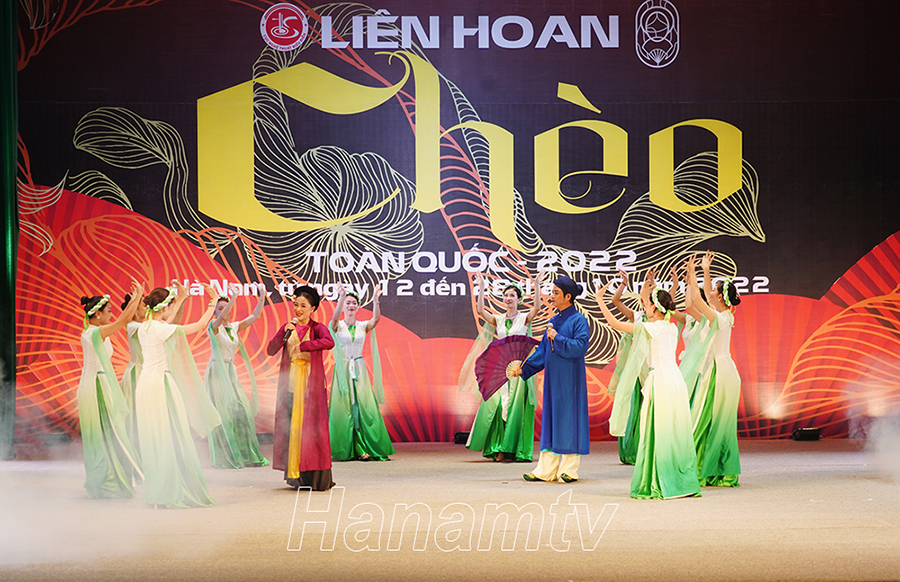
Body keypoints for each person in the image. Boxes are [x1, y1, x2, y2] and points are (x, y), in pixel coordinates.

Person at [597, 274, 701, 499]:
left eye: (647, 304)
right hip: (675, 380)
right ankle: (676, 478)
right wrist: (646, 294)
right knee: (672, 431)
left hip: (660, 380)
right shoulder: (671, 327)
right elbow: (651, 309)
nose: (644, 307)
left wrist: (599, 300)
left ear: (655, 307)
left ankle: (659, 480)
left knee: (655, 431)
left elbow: (614, 324)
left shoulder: (652, 328)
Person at [135, 281, 222, 508]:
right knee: (170, 435)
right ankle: (170, 489)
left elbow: (166, 319)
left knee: (156, 437)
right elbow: (200, 325)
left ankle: (161, 488)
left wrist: (181, 299)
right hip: (160, 383)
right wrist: (213, 301)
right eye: (170, 306)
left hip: (145, 384)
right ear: (164, 307)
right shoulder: (160, 328)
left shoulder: (145, 326)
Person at [510, 275, 589, 483]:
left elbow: (581, 347)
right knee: (551, 420)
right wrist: (524, 368)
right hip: (553, 380)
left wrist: (558, 338)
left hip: (571, 380)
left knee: (569, 420)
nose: (551, 296)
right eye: (551, 292)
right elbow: (543, 351)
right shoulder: (553, 321)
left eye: (555, 293)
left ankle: (568, 470)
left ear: (568, 296)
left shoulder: (579, 320)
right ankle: (545, 470)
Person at [464, 271, 543, 462]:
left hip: (519, 369)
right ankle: (500, 447)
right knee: (499, 406)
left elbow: (537, 307)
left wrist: (537, 285)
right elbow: (481, 311)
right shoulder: (498, 319)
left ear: (519, 299)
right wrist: (481, 288)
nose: (508, 298)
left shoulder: (524, 318)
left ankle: (516, 449)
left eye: (512, 295)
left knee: (517, 408)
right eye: (506, 295)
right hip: (501, 369)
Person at [78, 283, 144, 498]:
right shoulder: (94, 332)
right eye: (108, 310)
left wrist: (136, 298)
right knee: (108, 432)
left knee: (110, 432)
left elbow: (122, 320)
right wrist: (137, 297)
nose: (111, 314)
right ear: (97, 314)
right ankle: (106, 480)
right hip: (95, 385)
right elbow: (123, 321)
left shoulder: (95, 331)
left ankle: (113, 476)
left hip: (99, 382)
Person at [267, 285, 335, 491]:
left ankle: (314, 477)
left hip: (310, 388)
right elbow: (271, 350)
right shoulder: (288, 328)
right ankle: (294, 475)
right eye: (296, 305)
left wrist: (306, 345)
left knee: (312, 431)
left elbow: (329, 342)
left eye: (303, 306)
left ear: (312, 308)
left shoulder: (317, 328)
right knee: (293, 428)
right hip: (290, 385)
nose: (298, 309)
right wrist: (282, 333)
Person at [684, 252, 742, 487]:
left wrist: (694, 274)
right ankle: (709, 467)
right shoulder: (720, 315)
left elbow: (699, 302)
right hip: (716, 370)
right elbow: (697, 302)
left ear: (719, 296)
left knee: (706, 420)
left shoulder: (722, 318)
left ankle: (705, 468)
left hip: (719, 373)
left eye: (714, 290)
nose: (710, 291)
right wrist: (704, 270)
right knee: (708, 422)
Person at [205, 283, 269, 468]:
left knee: (242, 411)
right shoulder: (213, 326)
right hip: (217, 373)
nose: (224, 311)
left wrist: (262, 296)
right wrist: (234, 297)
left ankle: (244, 451)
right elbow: (221, 318)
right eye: (219, 308)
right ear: (214, 312)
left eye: (225, 307)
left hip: (230, 371)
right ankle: (226, 455)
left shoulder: (233, 327)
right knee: (223, 414)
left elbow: (255, 316)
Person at [329, 286, 394, 461]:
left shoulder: (362, 326)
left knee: (362, 405)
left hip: (358, 368)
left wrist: (376, 300)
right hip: (342, 369)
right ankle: (347, 447)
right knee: (344, 406)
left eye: (354, 303)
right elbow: (333, 320)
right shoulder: (338, 325)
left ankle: (363, 446)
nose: (351, 305)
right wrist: (341, 297)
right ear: (343, 306)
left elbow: (376, 319)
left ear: (358, 307)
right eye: (348, 303)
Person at [120, 291, 145, 445]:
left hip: (145, 372)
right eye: (143, 304)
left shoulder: (143, 325)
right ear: (135, 309)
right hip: (137, 374)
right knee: (136, 414)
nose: (147, 306)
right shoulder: (133, 326)